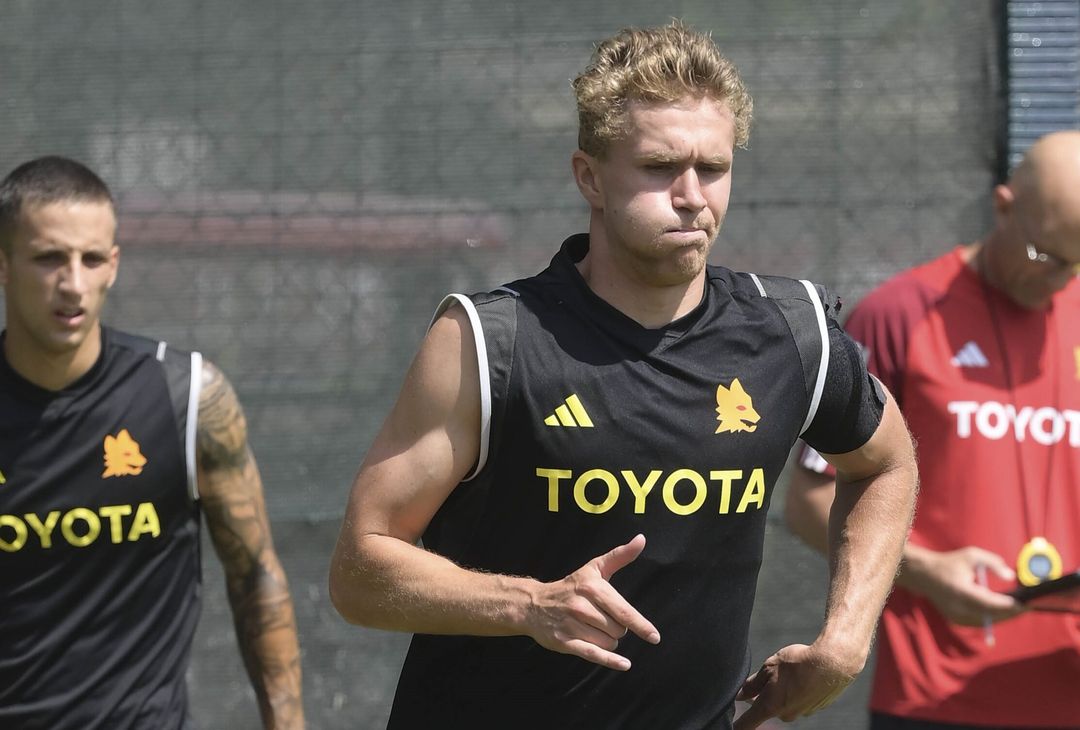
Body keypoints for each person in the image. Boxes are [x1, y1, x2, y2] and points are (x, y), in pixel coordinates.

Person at [329, 22, 918, 730]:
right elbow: (360, 569)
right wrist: (528, 605)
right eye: (659, 167)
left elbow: (886, 464)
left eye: (713, 167)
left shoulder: (792, 334)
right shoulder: (492, 341)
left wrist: (846, 641)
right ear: (590, 177)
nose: (692, 195)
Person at [785, 130, 1080, 730]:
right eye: (1045, 257)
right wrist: (926, 572)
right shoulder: (900, 316)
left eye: (1077, 263)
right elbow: (807, 501)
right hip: (936, 696)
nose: (1060, 280)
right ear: (1003, 207)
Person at [0, 156, 305, 728]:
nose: (73, 283)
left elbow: (256, 576)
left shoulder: (188, 399)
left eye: (91, 259)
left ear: (113, 265)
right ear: (4, 266)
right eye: (48, 259)